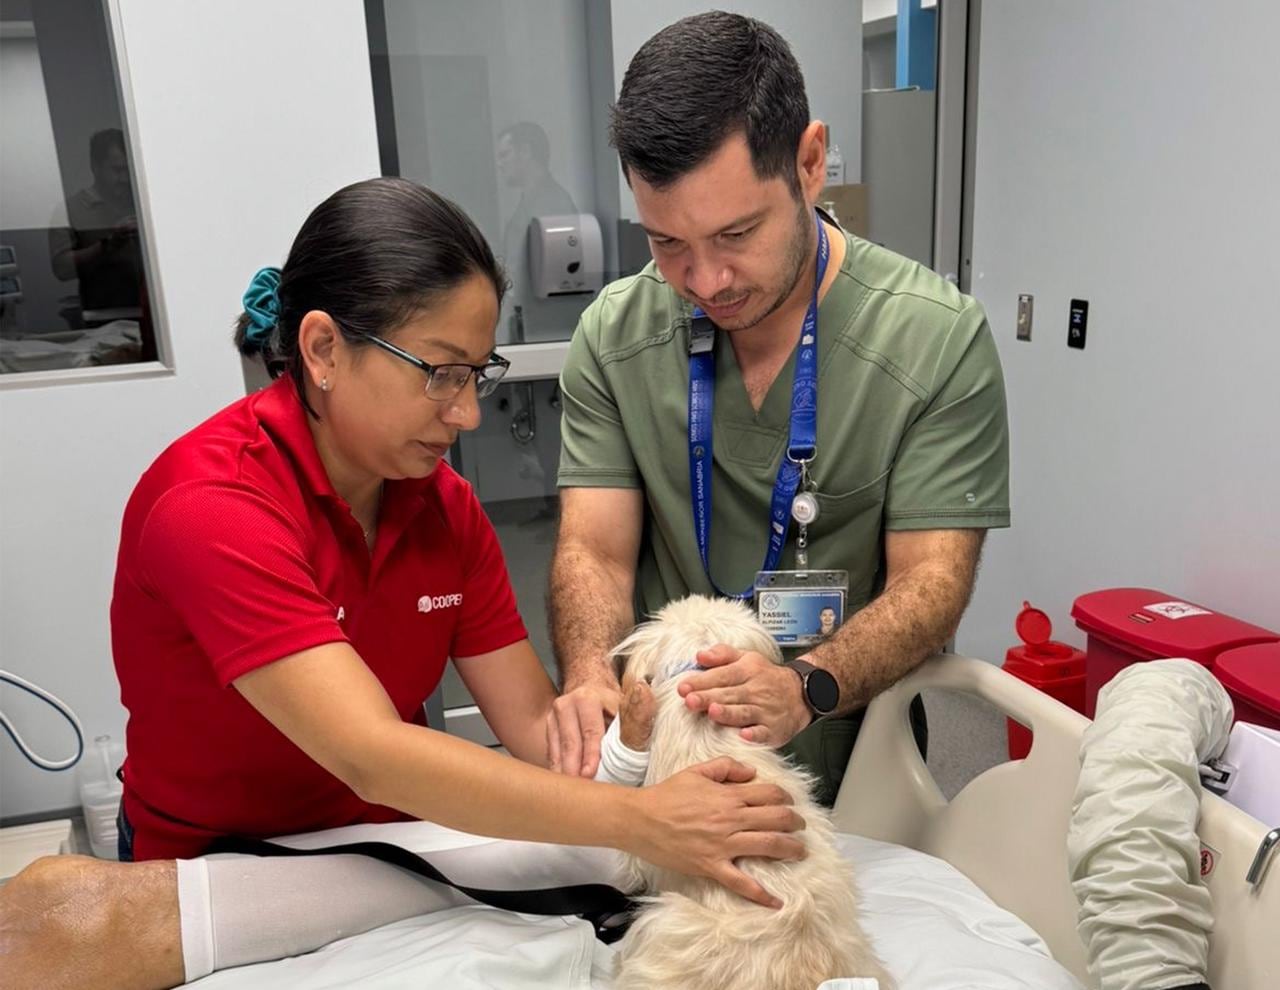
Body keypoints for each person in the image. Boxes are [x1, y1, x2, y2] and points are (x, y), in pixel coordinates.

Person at [0, 177, 803, 989]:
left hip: (400, 850)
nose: (467, 415)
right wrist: (642, 820)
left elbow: (531, 725)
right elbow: (372, 755)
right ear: (321, 351)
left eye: (476, 374)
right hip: (219, 864)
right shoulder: (213, 506)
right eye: (440, 373)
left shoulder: (443, 510)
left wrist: (628, 740)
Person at [547, 11, 1010, 804]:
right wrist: (592, 679)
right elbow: (595, 552)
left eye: (736, 233)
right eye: (666, 244)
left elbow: (931, 580)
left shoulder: (934, 339)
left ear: (810, 162)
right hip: (667, 763)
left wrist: (805, 685)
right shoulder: (616, 337)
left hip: (848, 753)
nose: (705, 281)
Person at [49, 128, 144, 321]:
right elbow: (62, 269)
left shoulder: (144, 204)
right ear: (95, 166)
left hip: (153, 315)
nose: (124, 179)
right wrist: (108, 245)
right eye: (117, 170)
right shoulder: (69, 210)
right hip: (100, 320)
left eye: (128, 170)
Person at [496, 121, 577, 331]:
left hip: (543, 325)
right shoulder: (531, 202)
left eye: (505, 154)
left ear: (525, 152)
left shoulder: (554, 205)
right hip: (528, 320)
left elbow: (558, 279)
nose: (500, 163)